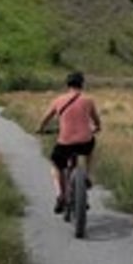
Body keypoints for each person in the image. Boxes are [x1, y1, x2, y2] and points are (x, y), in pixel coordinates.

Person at [36, 71, 101, 214]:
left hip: (65, 143)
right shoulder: (88, 100)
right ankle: (87, 176)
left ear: (67, 85)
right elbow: (96, 120)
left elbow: (45, 118)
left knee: (56, 164)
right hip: (84, 142)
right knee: (90, 148)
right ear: (82, 85)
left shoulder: (58, 100)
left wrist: (40, 129)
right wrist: (97, 127)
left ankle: (60, 195)